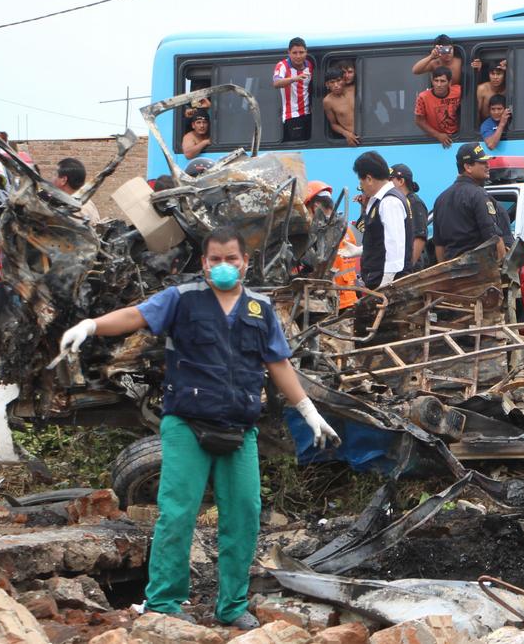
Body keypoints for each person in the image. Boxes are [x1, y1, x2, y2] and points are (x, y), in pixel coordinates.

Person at [58, 225, 338, 628]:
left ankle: (232, 608)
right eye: (215, 259)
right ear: (204, 263)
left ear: (245, 262)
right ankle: (164, 603)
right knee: (177, 512)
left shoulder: (259, 308)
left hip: (239, 429)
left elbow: (278, 364)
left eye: (232, 259)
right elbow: (136, 316)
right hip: (187, 424)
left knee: (244, 513)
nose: (224, 266)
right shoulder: (182, 299)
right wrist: (91, 325)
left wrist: (310, 412)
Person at [433, 143, 506, 262]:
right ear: (468, 167)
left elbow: (439, 245)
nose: (488, 165)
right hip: (479, 273)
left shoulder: (441, 199)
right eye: (482, 162)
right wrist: (502, 267)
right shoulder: (479, 195)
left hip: (451, 274)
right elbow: (493, 236)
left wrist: (446, 273)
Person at [352, 152, 410, 288]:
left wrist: (386, 283)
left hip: (384, 281)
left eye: (361, 182)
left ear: (369, 179)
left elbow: (395, 246)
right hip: (376, 277)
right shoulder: (379, 200)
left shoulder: (389, 202)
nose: (362, 187)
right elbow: (381, 241)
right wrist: (359, 250)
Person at [305, 181, 360, 309]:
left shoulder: (324, 232)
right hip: (349, 297)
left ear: (316, 205)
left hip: (335, 301)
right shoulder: (345, 228)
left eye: (307, 208)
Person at [273, 37, 314, 142]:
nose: (298, 56)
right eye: (294, 53)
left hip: (308, 114)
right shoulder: (282, 66)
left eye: (301, 52)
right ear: (289, 53)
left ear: (306, 52)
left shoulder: (309, 65)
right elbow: (276, 83)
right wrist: (294, 78)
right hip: (292, 116)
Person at [390, 164, 429, 266]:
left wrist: (408, 268)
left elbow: (419, 237)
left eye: (390, 180)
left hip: (410, 271)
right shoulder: (398, 203)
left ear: (401, 181)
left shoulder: (414, 203)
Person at [414, 67, 461, 148]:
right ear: (432, 81)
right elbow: (419, 121)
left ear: (449, 82)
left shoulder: (458, 91)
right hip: (435, 140)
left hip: (457, 135)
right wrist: (438, 135)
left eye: (442, 81)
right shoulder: (423, 97)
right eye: (436, 81)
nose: (439, 85)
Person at [52, 157, 101, 222]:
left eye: (54, 175)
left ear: (63, 180)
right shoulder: (87, 203)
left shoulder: (72, 211)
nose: (52, 179)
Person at [321, 68, 359, 147]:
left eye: (338, 80)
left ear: (344, 80)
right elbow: (333, 124)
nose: (336, 85)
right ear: (327, 85)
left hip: (369, 134)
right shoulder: (328, 101)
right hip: (352, 138)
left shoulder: (355, 89)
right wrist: (346, 134)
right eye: (332, 82)